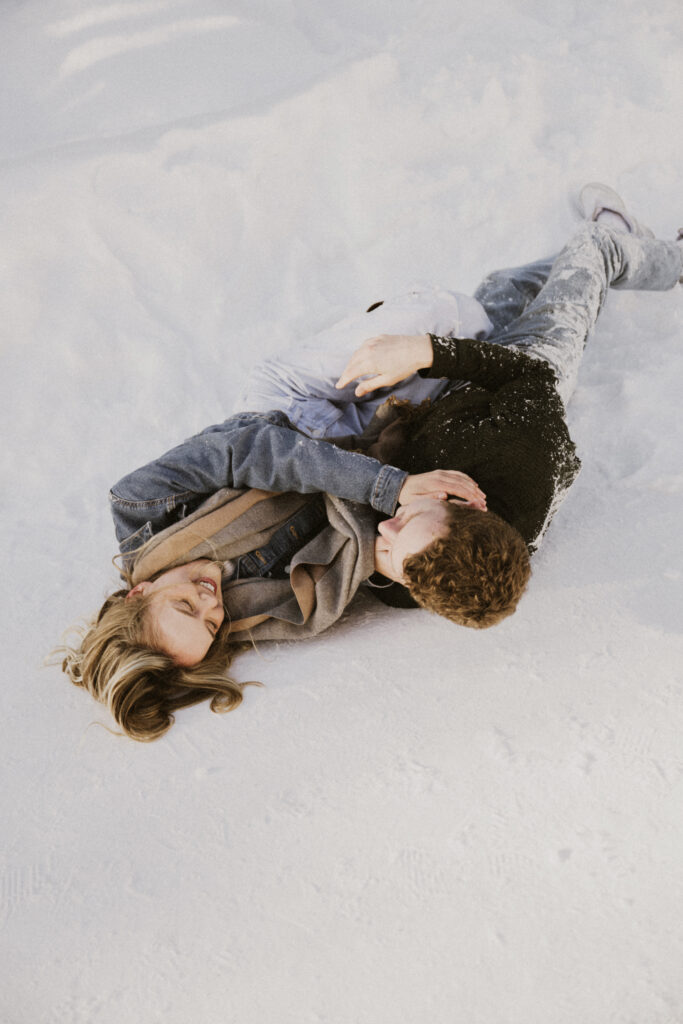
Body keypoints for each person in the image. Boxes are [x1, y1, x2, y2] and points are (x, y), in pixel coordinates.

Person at [59, 184, 682, 741]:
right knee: (506, 306)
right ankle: (604, 251)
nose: (210, 602)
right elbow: (361, 575)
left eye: (185, 607)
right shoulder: (259, 614)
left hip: (311, 419)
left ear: (138, 592)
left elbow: (256, 449)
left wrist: (393, 485)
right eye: (211, 625)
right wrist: (395, 533)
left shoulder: (142, 504)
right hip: (391, 443)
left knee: (471, 313)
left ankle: (614, 254)